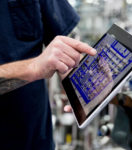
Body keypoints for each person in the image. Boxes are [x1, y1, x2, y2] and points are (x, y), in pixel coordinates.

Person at [0, 0, 96, 150]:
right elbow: (37, 65)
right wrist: (33, 67)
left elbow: (66, 43)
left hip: (36, 142)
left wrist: (84, 83)